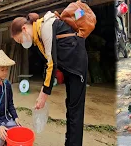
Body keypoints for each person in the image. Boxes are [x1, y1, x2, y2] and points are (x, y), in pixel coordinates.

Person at [10, 11, 88, 146]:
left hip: (77, 68)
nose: (22, 43)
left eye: (20, 40)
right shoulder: (38, 36)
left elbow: (52, 64)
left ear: (24, 29)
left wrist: (43, 94)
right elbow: (48, 64)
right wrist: (43, 91)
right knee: (70, 107)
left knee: (75, 111)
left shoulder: (45, 27)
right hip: (70, 69)